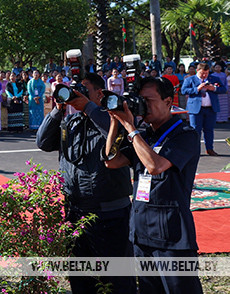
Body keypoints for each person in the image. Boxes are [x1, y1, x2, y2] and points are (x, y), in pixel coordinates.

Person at [36, 72, 135, 294]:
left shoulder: (114, 119)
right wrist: (58, 109)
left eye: (83, 90)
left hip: (110, 215)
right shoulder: (70, 121)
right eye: (74, 90)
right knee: (81, 279)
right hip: (75, 213)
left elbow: (119, 135)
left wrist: (89, 107)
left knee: (116, 280)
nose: (76, 95)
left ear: (100, 93)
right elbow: (43, 142)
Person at [104, 77, 202, 294]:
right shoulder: (144, 135)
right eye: (141, 100)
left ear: (168, 101)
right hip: (141, 231)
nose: (144, 106)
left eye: (149, 100)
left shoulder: (185, 134)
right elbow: (111, 161)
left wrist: (130, 128)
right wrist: (115, 122)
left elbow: (155, 165)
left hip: (171, 236)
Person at [181, 63, 226, 156]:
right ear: (197, 71)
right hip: (196, 109)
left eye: (206, 73)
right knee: (195, 130)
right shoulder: (190, 79)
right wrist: (197, 89)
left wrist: (214, 88)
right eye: (202, 73)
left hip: (211, 108)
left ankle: (209, 148)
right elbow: (183, 90)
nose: (205, 75)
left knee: (209, 130)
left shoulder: (214, 79)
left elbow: (223, 89)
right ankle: (194, 150)